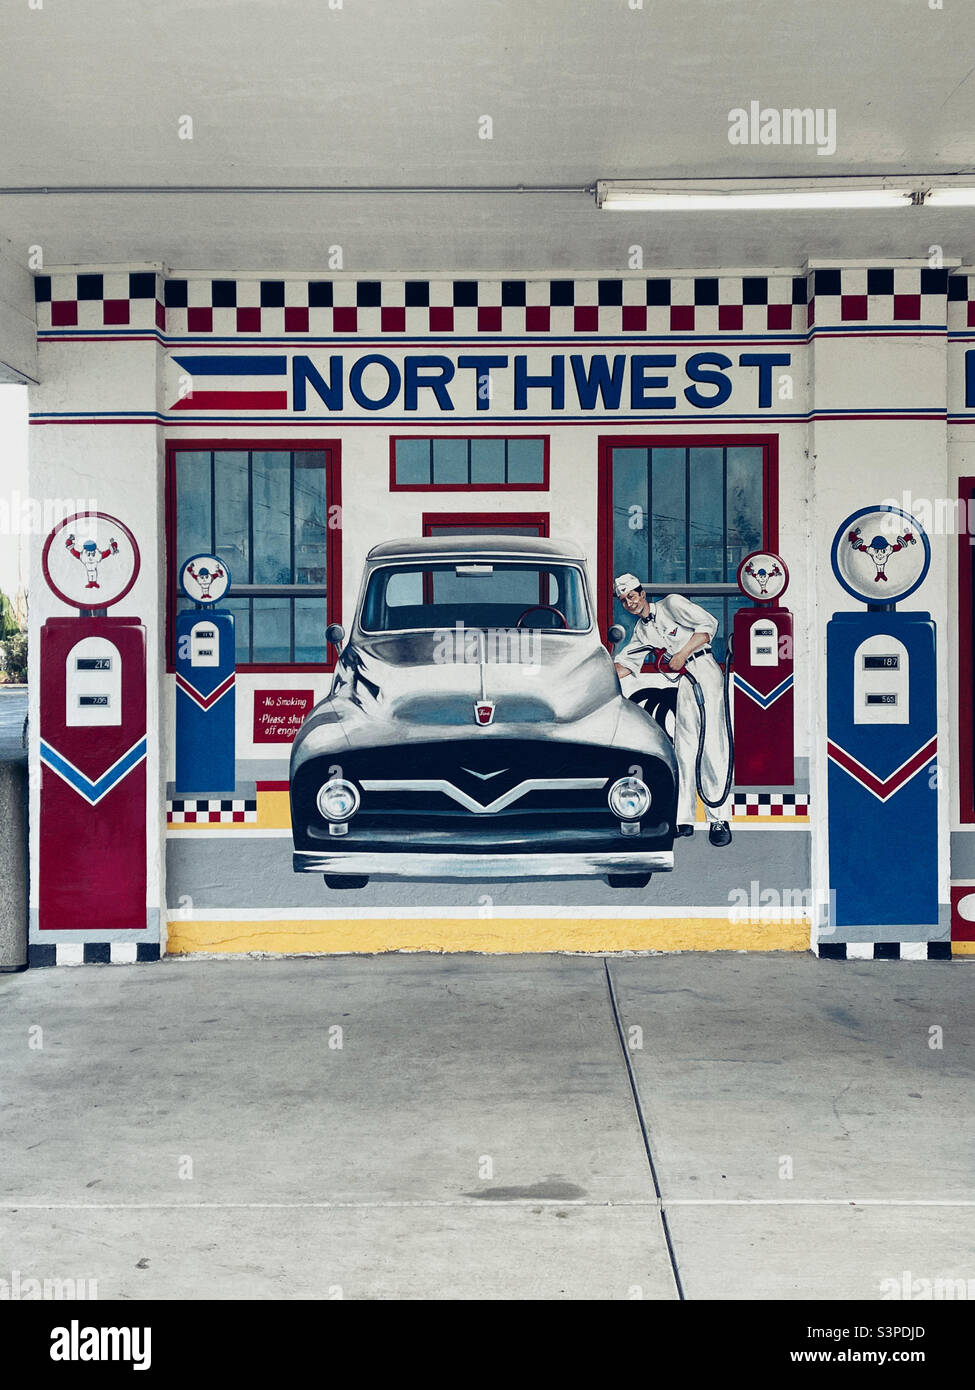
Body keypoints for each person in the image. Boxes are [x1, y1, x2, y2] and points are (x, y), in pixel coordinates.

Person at [613, 573, 732, 846]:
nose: (629, 603)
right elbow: (626, 665)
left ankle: (718, 820)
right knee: (685, 746)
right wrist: (599, 676)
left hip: (704, 670)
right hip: (686, 681)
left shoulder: (672, 604)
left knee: (712, 745)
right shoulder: (642, 631)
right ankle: (684, 819)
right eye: (623, 600)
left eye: (632, 596)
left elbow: (708, 625)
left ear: (642, 593)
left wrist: (681, 653)